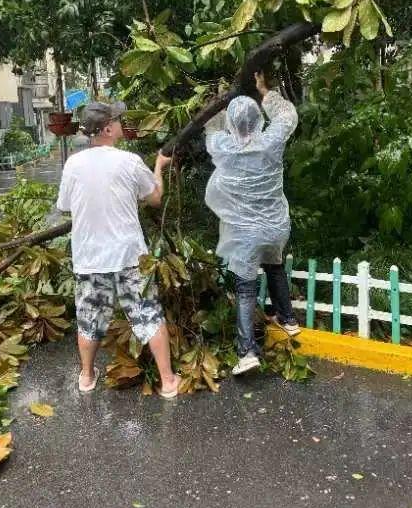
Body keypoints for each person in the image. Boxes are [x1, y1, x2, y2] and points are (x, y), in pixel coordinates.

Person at [56, 101, 181, 399]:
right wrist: (159, 167)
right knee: (147, 313)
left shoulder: (73, 164)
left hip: (89, 258)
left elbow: (64, 207)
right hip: (128, 256)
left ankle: (86, 377)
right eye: (118, 120)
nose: (123, 123)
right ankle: (168, 381)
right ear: (108, 128)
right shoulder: (129, 161)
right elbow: (154, 198)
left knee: (89, 318)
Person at [205, 72, 301, 376]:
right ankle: (288, 318)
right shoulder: (271, 143)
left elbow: (210, 128)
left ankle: (247, 353)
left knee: (246, 290)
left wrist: (220, 102)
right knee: (274, 266)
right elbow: (287, 116)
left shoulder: (224, 147)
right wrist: (264, 92)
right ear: (258, 119)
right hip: (275, 227)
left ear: (233, 124)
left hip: (246, 234)